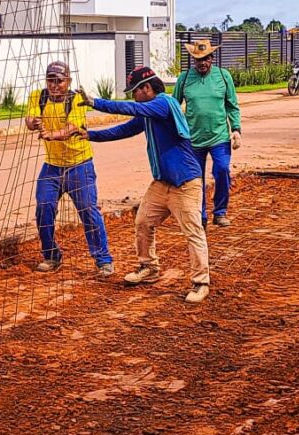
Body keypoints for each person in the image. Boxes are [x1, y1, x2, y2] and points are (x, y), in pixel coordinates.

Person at [79, 67, 210, 303]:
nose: (132, 97)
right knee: (143, 222)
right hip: (162, 183)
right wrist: (90, 135)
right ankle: (149, 267)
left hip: (186, 182)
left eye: (134, 92)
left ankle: (200, 282)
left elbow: (132, 108)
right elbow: (124, 129)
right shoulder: (149, 113)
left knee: (193, 233)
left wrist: (94, 102)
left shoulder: (163, 104)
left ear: (147, 88)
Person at [24, 61, 113, 277]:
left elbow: (72, 129)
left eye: (59, 81)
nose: (54, 85)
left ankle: (103, 260)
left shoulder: (76, 100)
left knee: (88, 211)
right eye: (50, 80)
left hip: (79, 165)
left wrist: (50, 135)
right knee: (43, 207)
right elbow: (29, 119)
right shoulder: (38, 96)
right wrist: (33, 122)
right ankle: (52, 255)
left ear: (68, 81)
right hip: (52, 166)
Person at [173, 39, 242, 228]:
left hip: (219, 136)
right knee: (196, 179)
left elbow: (232, 105)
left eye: (206, 58)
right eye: (198, 59)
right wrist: (174, 130)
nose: (202, 63)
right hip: (193, 140)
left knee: (222, 170)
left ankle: (220, 212)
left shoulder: (223, 76)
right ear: (193, 60)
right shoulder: (185, 79)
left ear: (212, 58)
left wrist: (236, 129)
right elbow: (174, 106)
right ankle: (200, 216)